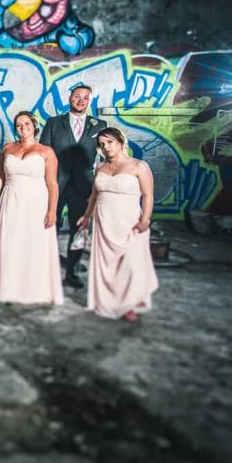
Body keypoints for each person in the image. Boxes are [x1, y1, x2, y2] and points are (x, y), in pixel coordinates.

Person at [78, 127, 159, 321]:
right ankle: (107, 301)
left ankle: (129, 304)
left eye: (110, 142)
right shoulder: (101, 168)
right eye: (102, 144)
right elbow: (94, 195)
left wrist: (145, 220)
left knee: (131, 264)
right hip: (104, 222)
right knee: (107, 266)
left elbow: (148, 195)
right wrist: (87, 216)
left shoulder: (139, 166)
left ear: (121, 142)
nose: (106, 147)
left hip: (129, 222)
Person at [0, 111, 63, 305]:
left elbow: (52, 183)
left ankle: (34, 289)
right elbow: (0, 177)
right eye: (18, 125)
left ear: (35, 125)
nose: (23, 127)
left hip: (37, 201)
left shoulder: (47, 151)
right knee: (10, 241)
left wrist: (52, 210)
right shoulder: (7, 148)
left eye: (27, 123)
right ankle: (7, 287)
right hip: (11, 198)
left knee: (34, 243)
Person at [39, 84, 107, 288]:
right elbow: (43, 153)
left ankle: (72, 271)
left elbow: (106, 155)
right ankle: (46, 268)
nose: (81, 101)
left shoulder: (100, 125)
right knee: (49, 226)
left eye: (85, 98)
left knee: (80, 228)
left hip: (83, 186)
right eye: (77, 97)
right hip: (54, 185)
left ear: (90, 101)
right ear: (69, 99)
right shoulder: (53, 123)